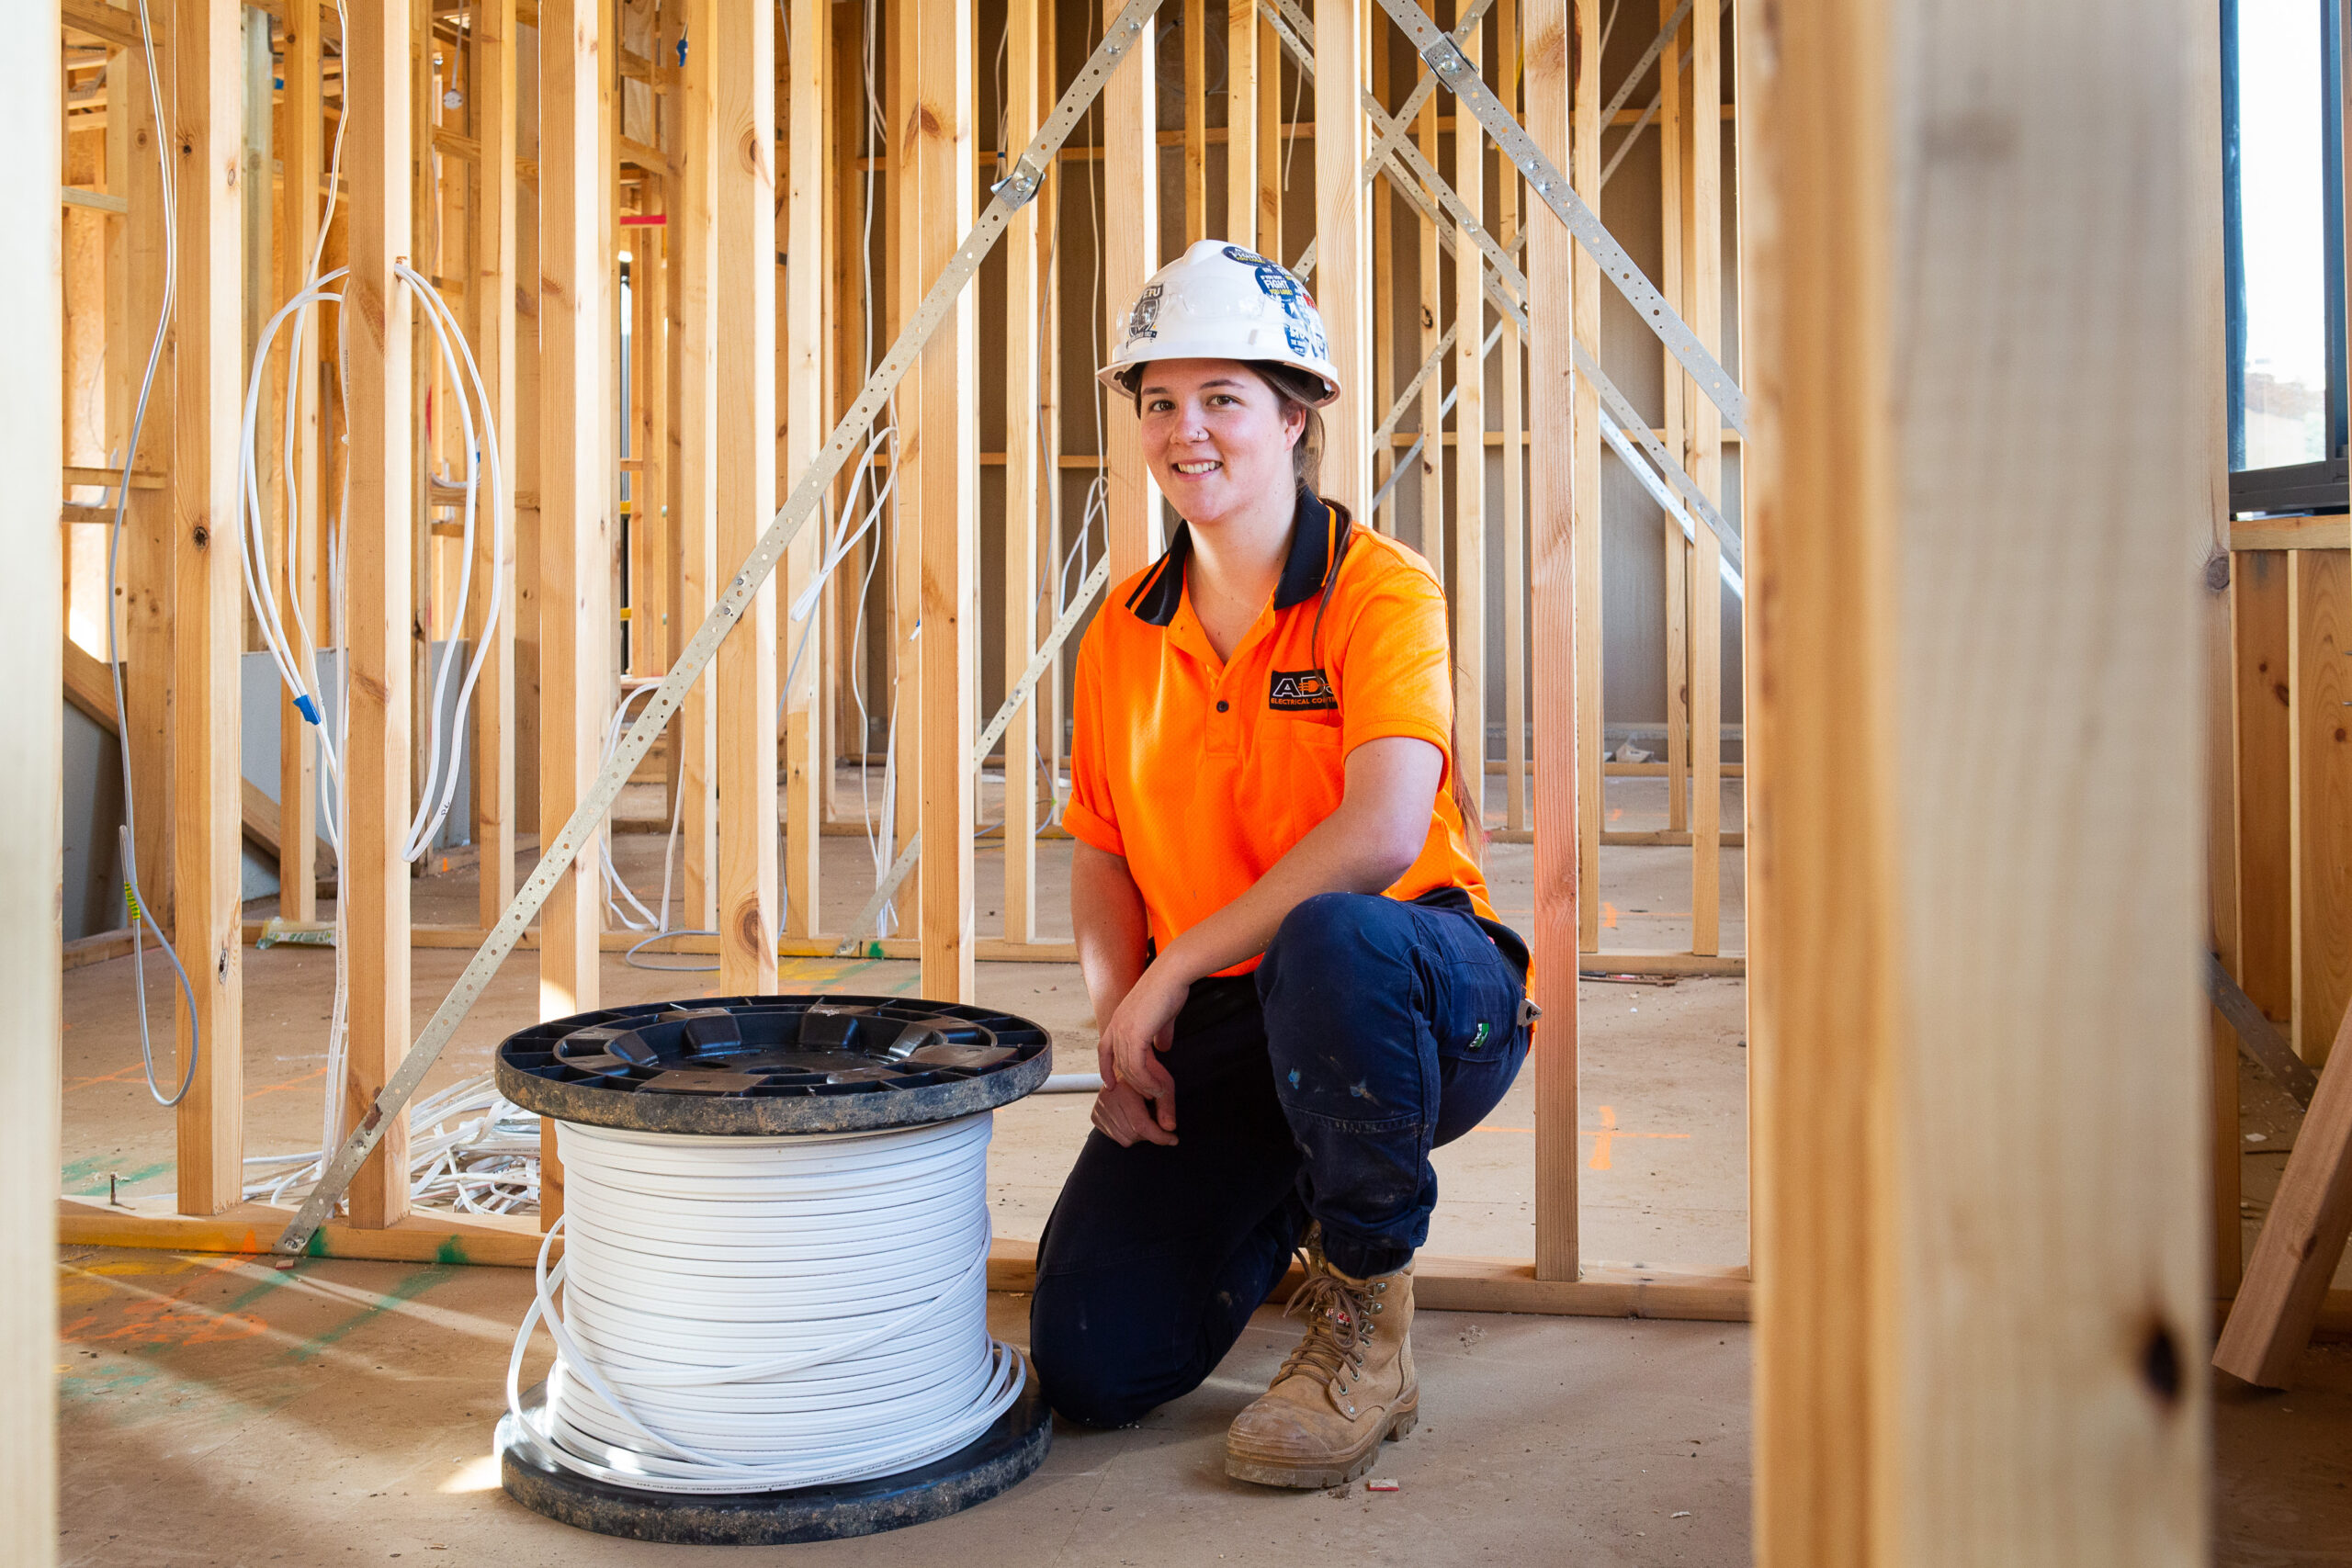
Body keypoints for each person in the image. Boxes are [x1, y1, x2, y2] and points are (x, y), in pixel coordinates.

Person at [1028, 239, 1535, 1489]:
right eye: (1159, 403)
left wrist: (1175, 966)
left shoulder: (1380, 593)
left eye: (1221, 400)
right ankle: (1292, 1205)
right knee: (1092, 1363)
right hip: (1240, 1026)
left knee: (1330, 937)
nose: (1184, 432)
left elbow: (1375, 835)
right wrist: (1121, 1023)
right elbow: (1099, 849)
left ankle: (1367, 1317)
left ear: (1295, 416)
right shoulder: (1124, 628)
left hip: (1416, 996)